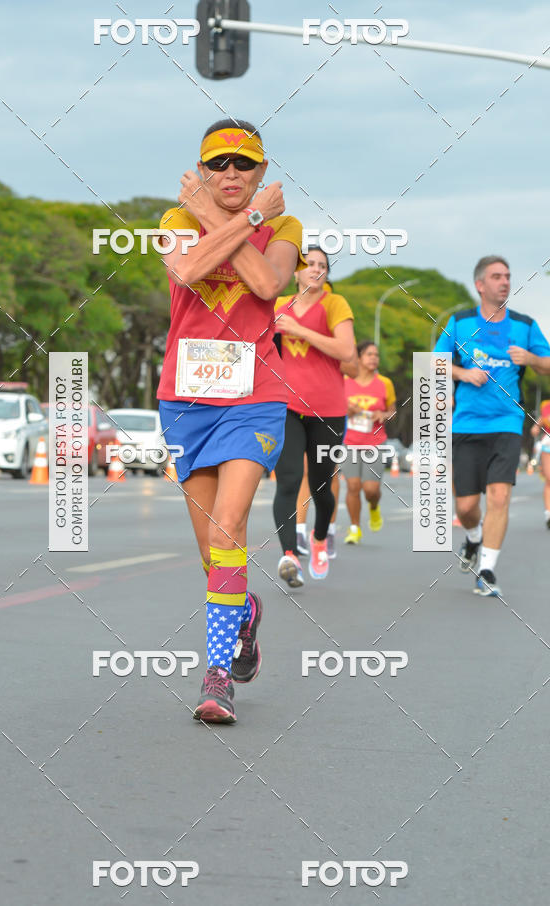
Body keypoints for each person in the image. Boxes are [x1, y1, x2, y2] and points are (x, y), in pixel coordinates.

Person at [157, 118, 304, 723]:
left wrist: (224, 219)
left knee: (229, 529)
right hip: (187, 401)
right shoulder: (173, 221)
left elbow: (269, 282)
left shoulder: (286, 226)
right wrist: (243, 222)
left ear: (262, 172)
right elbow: (186, 272)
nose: (231, 175)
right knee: (213, 551)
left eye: (244, 165)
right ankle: (241, 614)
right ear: (204, 168)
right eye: (218, 164)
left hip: (255, 396)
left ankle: (216, 677)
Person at [434, 255, 550, 596]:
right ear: (480, 285)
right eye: (497, 276)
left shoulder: (525, 325)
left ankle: (486, 570)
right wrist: (462, 372)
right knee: (467, 507)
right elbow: (434, 364)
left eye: (508, 276)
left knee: (499, 497)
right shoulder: (460, 322)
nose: (505, 282)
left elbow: (548, 364)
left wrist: (530, 359)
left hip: (507, 422)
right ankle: (473, 538)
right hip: (467, 423)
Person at [272, 247, 356, 585]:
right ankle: (289, 555)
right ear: (295, 272)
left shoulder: (335, 305)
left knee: (322, 487)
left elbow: (347, 351)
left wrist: (300, 330)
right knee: (289, 480)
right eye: (309, 265)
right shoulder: (278, 307)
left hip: (328, 411)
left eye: (323, 266)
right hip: (285, 407)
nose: (316, 270)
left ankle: (320, 539)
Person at [340, 340, 396, 544]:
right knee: (353, 486)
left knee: (370, 490)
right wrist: (347, 409)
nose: (374, 358)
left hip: (375, 443)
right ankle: (354, 528)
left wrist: (384, 414)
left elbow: (393, 410)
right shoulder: (345, 381)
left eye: (376, 355)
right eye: (369, 354)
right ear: (359, 358)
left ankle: (374, 507)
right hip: (350, 442)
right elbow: (334, 408)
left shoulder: (385, 383)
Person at [530, 398, 550, 528]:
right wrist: (537, 427)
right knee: (549, 479)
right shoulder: (546, 406)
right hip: (548, 444)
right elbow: (534, 429)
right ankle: (549, 513)